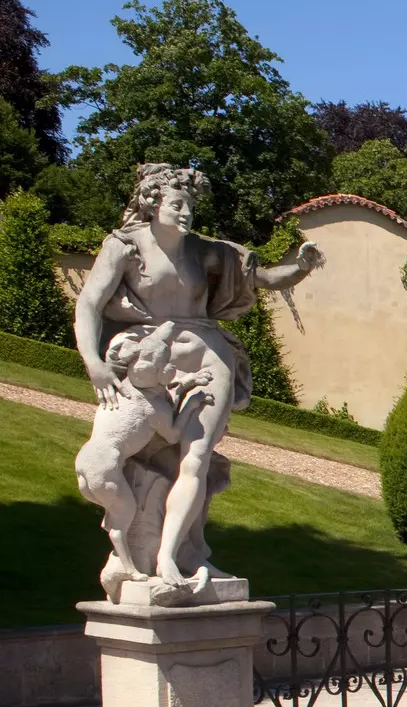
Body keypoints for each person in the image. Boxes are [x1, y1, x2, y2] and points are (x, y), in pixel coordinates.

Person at [72, 163, 322, 601]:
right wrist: (93, 361)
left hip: (207, 352)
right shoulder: (125, 246)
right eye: (177, 204)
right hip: (148, 352)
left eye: (191, 205)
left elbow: (260, 279)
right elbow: (90, 303)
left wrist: (299, 268)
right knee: (139, 454)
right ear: (153, 203)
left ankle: (174, 556)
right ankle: (139, 556)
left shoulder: (206, 251)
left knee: (196, 457)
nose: (186, 213)